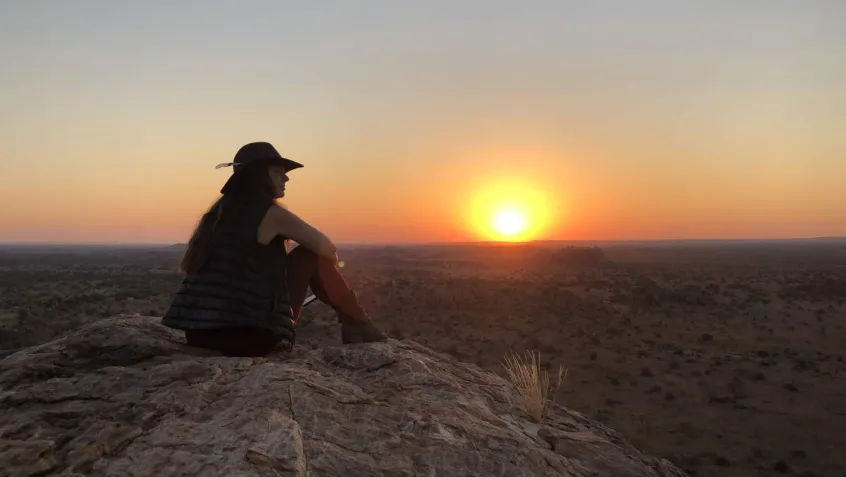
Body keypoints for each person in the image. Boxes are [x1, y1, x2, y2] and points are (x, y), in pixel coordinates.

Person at [161, 141, 387, 356]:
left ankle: (356, 324)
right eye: (278, 172)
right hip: (247, 339)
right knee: (309, 255)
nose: (286, 178)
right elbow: (326, 247)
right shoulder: (269, 213)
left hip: (199, 335)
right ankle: (358, 323)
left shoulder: (215, 215)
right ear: (259, 176)